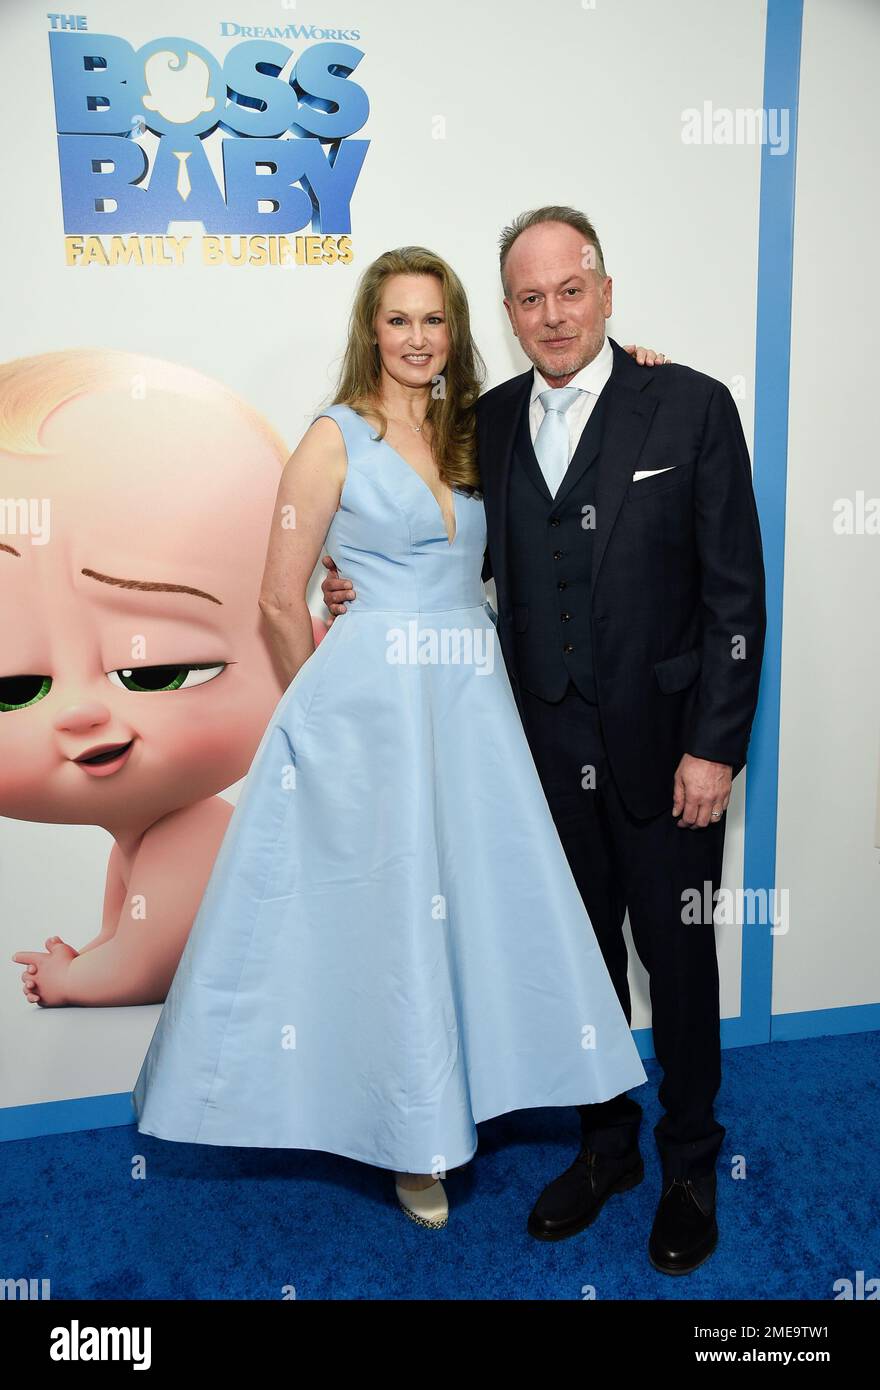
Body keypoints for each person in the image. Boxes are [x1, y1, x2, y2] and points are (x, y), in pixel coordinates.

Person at [133, 244, 663, 1229]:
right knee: (385, 928)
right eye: (398, 320)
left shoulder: (481, 432)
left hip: (471, 703)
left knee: (478, 909)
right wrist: (321, 713)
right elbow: (275, 597)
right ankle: (409, 1140)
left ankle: (480, 1094)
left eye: (433, 321)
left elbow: (552, 499)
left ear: (455, 333)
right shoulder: (332, 438)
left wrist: (633, 377)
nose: (417, 339)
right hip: (371, 716)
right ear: (369, 331)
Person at [322, 208, 767, 1271]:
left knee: (679, 962)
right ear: (509, 314)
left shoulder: (691, 405)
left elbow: (735, 597)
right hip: (532, 753)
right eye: (529, 298)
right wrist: (356, 583)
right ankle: (606, 1144)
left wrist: (715, 746)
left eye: (571, 290)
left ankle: (690, 1159)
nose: (552, 314)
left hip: (670, 758)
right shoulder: (487, 421)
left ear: (606, 292)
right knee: (576, 963)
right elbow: (434, 536)